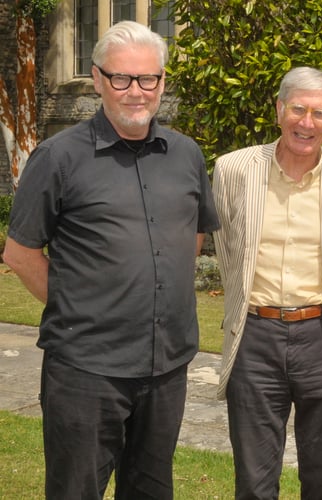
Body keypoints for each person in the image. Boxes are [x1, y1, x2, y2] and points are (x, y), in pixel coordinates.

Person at [2, 20, 220, 499]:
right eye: (121, 78)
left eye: (148, 79)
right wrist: (78, 308)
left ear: (162, 81)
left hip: (166, 367)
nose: (136, 91)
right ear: (98, 79)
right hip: (86, 370)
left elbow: (194, 238)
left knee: (149, 488)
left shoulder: (187, 155)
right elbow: (19, 254)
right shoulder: (58, 157)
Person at [212, 66, 322, 499]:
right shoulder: (233, 170)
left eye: (319, 114)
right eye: (298, 110)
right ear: (279, 109)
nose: (307, 123)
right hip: (254, 335)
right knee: (253, 480)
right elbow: (227, 249)